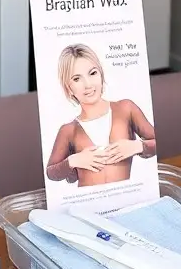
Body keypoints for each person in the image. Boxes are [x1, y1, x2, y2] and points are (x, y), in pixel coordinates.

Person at [45, 43, 156, 187]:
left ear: (101, 74)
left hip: (123, 200)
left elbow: (158, 142)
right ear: (69, 88)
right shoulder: (68, 130)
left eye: (92, 73)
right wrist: (74, 160)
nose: (88, 84)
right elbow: (51, 173)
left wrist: (138, 146)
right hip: (87, 206)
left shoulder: (126, 109)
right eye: (77, 79)